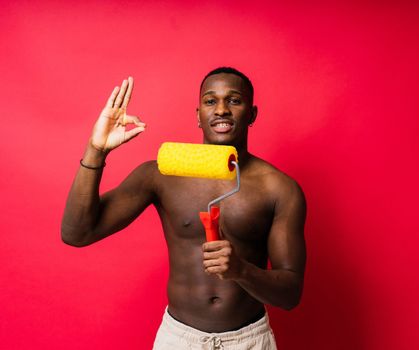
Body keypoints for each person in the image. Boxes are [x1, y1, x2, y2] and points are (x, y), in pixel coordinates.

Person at [61, 67, 307, 350]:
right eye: (210, 101)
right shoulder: (162, 175)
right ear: (198, 115)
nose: (222, 110)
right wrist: (96, 149)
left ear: (251, 114)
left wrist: (242, 270)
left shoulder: (279, 189)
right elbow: (77, 233)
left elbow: (291, 295)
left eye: (234, 100)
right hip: (179, 340)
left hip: (249, 340)